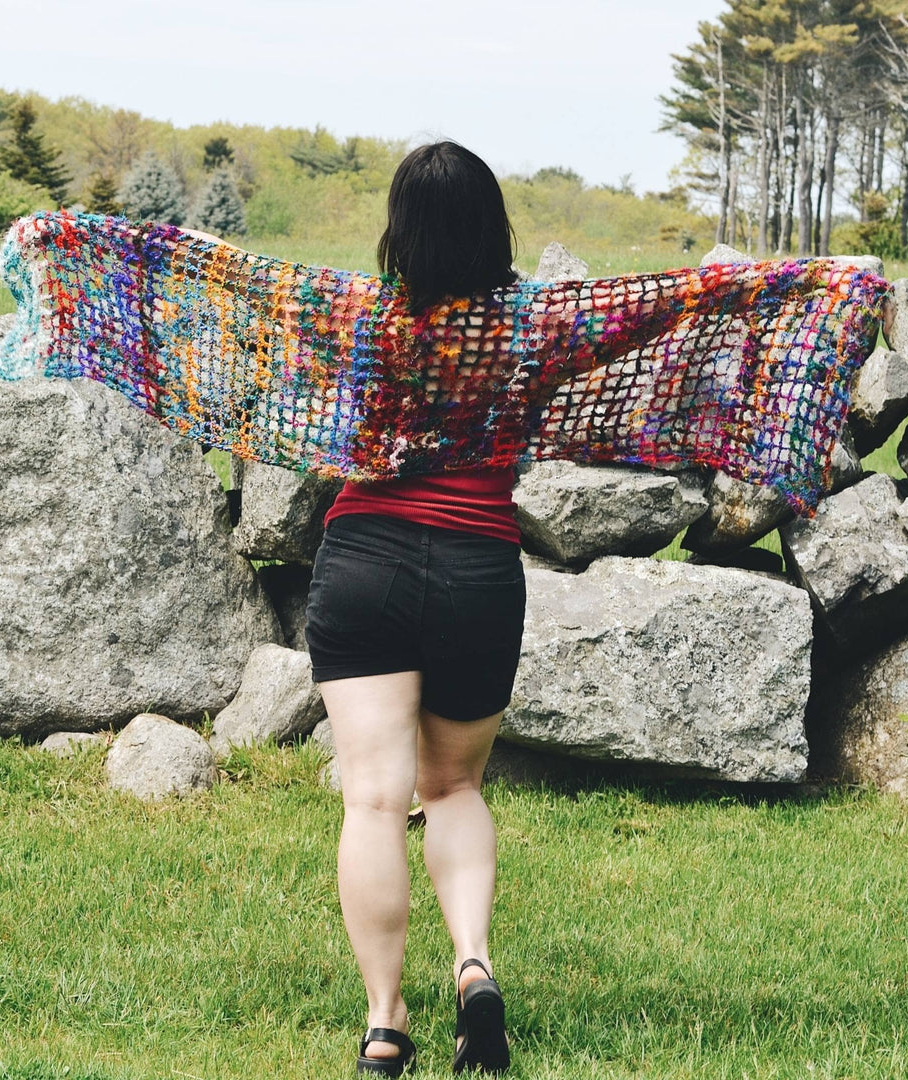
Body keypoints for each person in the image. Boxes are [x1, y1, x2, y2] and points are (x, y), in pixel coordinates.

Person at [304, 141, 523, 1077]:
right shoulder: (532, 327)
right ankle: (473, 966)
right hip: (478, 565)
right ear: (492, 224)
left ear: (401, 227)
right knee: (455, 788)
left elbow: (322, 435)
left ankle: (386, 1021)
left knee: (375, 798)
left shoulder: (360, 321)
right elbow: (667, 321)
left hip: (367, 564)